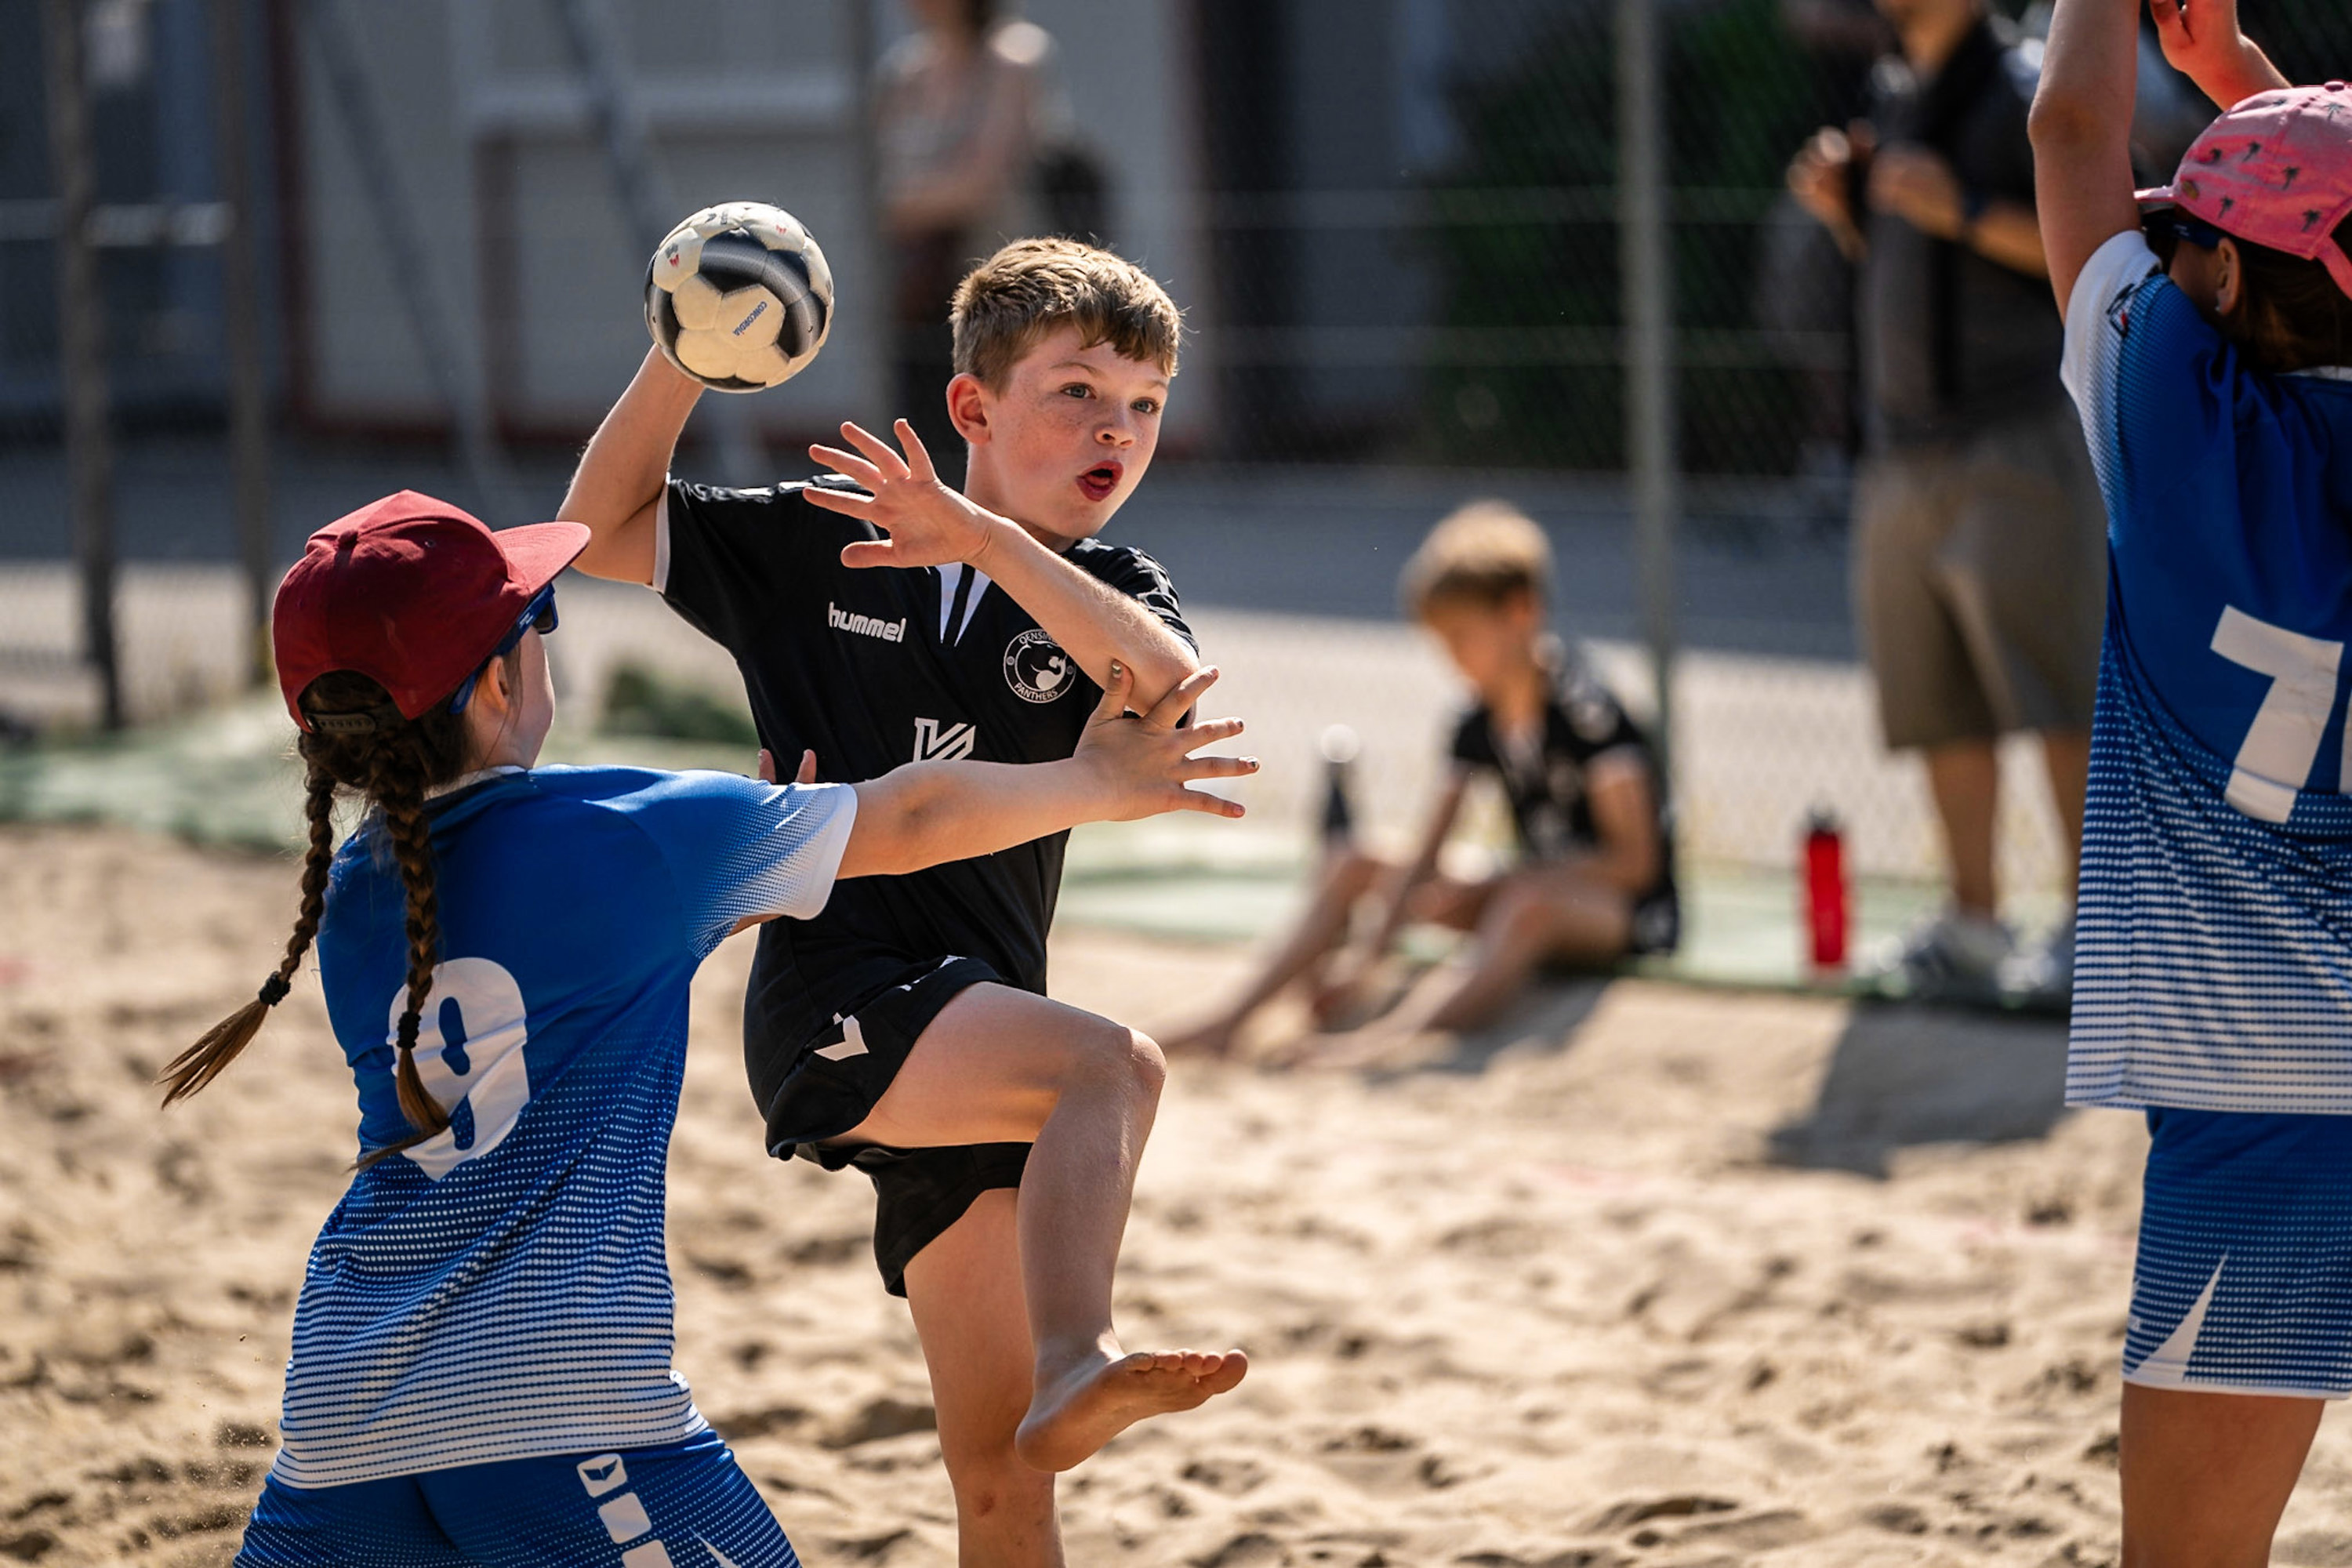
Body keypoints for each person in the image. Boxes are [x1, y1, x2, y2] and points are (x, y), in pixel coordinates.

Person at [163, 492, 1252, 1565]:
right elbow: (917, 814)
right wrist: (1097, 780)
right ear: (501, 678)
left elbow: (554, 971)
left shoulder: (354, 891)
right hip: (562, 1408)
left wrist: (735, 884)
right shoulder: (635, 836)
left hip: (341, 1409)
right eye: (537, 623)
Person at [560, 238, 1242, 1565]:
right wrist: (679, 355)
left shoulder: (1112, 593)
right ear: (975, 409)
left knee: (1002, 1484)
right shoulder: (824, 546)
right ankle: (1080, 1353)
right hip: (840, 1002)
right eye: (1080, 393)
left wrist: (982, 538)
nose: (1120, 429)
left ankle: (1057, 1381)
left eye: (1146, 405)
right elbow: (596, 528)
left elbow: (1163, 686)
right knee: (1114, 1069)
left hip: (982, 1037)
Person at [2031, 0, 2352, 1556]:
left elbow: (2074, 132)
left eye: (2190, 245)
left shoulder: (2176, 417)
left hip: (2261, 1072)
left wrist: (2166, 42)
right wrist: (2243, 86)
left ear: (2222, 279)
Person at [1786, 0, 2107, 1004]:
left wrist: (1959, 207)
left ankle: (2090, 930)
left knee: (2059, 695)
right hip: (1902, 454)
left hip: (2016, 440)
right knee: (1942, 706)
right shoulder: (1896, 91)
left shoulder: (2021, 90)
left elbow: (2099, 246)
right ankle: (1974, 925)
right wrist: (1854, 214)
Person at [1168, 503, 1677, 1061]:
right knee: (1355, 860)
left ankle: (1385, 1044)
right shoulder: (1476, 719)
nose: (1452, 657)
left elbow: (1634, 866)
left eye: (1462, 637)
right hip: (1526, 887)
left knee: (1527, 901)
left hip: (1619, 913)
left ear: (1521, 611)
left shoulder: (1588, 712)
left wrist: (1497, 883)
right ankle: (1232, 1019)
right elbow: (1428, 851)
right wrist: (1367, 960)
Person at [877, 0, 1069, 481]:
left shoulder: (1014, 59)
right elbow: (879, 173)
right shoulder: (906, 70)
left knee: (1003, 430)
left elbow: (981, 182)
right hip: (920, 282)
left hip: (1000, 282)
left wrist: (902, 207)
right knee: (927, 430)